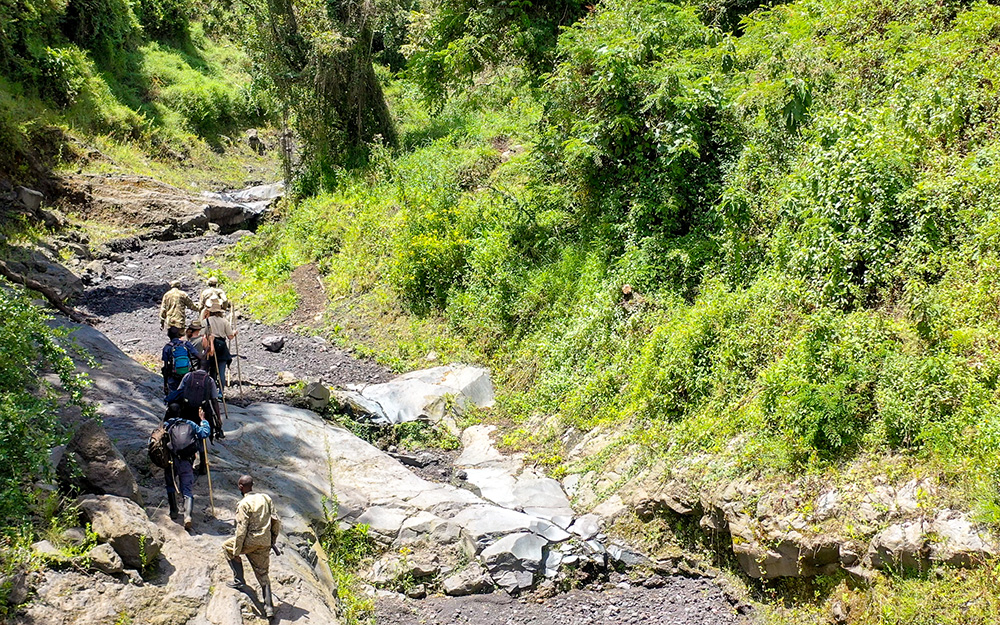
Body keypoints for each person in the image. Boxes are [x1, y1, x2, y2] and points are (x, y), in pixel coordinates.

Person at [223, 475, 280, 618]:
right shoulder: (266, 498)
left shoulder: (243, 504)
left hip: (250, 541)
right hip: (265, 541)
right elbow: (275, 520)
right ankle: (269, 608)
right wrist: (272, 538)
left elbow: (241, 530)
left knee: (226, 547)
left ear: (240, 487)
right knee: (263, 573)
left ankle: (239, 581)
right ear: (252, 485)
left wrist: (237, 551)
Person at [161, 410, 211, 529]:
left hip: (171, 462)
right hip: (186, 462)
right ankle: (187, 516)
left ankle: (173, 511)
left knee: (170, 485)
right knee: (187, 489)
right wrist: (203, 420)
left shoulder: (167, 425)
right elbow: (204, 433)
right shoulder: (190, 424)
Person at [165, 359, 224, 441]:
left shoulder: (188, 375)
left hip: (186, 409)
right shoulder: (210, 380)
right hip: (201, 411)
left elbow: (179, 392)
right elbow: (214, 400)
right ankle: (203, 448)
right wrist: (218, 418)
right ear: (208, 369)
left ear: (197, 366)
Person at [204, 297, 236, 397]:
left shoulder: (206, 321)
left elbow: (202, 335)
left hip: (211, 344)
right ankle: (221, 392)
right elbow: (230, 337)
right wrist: (234, 333)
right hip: (221, 345)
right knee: (221, 370)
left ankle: (211, 391)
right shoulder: (224, 321)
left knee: (211, 369)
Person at [161, 326, 194, 395]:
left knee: (173, 395)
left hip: (174, 376)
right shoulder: (186, 344)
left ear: (168, 336)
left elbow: (166, 367)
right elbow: (199, 357)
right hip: (187, 374)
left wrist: (165, 385)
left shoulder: (167, 347)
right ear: (179, 335)